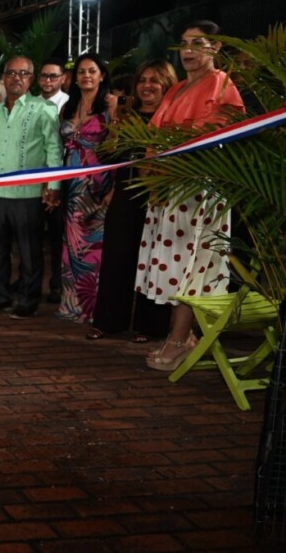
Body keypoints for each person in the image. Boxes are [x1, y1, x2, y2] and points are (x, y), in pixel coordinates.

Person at [138, 21, 245, 370]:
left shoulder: (223, 84)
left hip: (199, 191)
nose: (187, 50)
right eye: (183, 43)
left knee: (191, 266)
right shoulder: (176, 90)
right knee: (173, 265)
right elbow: (154, 136)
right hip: (170, 191)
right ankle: (181, 335)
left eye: (197, 43)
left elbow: (218, 131)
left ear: (215, 48)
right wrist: (151, 172)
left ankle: (179, 339)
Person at [89, 60, 177, 341]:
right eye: (142, 80)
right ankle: (109, 321)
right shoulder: (128, 116)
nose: (147, 86)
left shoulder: (173, 119)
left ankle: (150, 327)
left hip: (158, 198)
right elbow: (107, 157)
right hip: (126, 195)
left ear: (167, 84)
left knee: (154, 261)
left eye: (155, 80)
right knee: (116, 258)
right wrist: (115, 124)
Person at [0, 56, 62, 318]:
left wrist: (53, 184)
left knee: (29, 252)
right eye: (11, 73)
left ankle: (27, 301)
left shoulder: (43, 109)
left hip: (28, 193)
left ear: (31, 79)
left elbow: (54, 149)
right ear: (3, 77)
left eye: (23, 73)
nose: (16, 78)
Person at [56, 53, 114, 324]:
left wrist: (113, 189)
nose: (86, 76)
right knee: (72, 245)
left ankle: (95, 308)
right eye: (81, 72)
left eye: (92, 71)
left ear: (102, 75)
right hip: (72, 187)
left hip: (99, 186)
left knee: (95, 248)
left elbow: (119, 149)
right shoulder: (68, 108)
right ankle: (72, 306)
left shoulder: (110, 105)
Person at [39, 59, 69, 302]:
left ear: (63, 79)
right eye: (44, 76)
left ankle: (57, 284)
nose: (48, 81)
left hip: (58, 179)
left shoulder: (68, 104)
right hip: (31, 180)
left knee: (57, 237)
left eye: (53, 76)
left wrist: (53, 186)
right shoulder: (30, 104)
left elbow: (59, 148)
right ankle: (31, 280)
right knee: (32, 236)